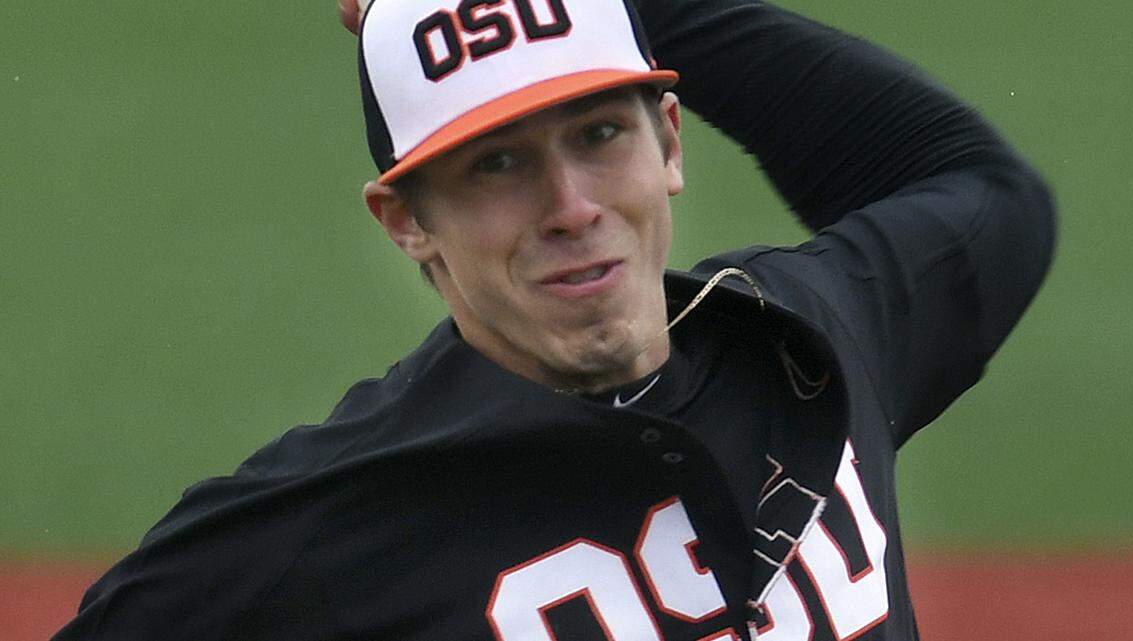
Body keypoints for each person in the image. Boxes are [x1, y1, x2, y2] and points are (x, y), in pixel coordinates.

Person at [54, 0, 1055, 639]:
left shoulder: (806, 336)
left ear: (669, 138)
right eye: (496, 163)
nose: (571, 204)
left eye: (600, 133)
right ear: (408, 221)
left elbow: (978, 189)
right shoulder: (316, 522)